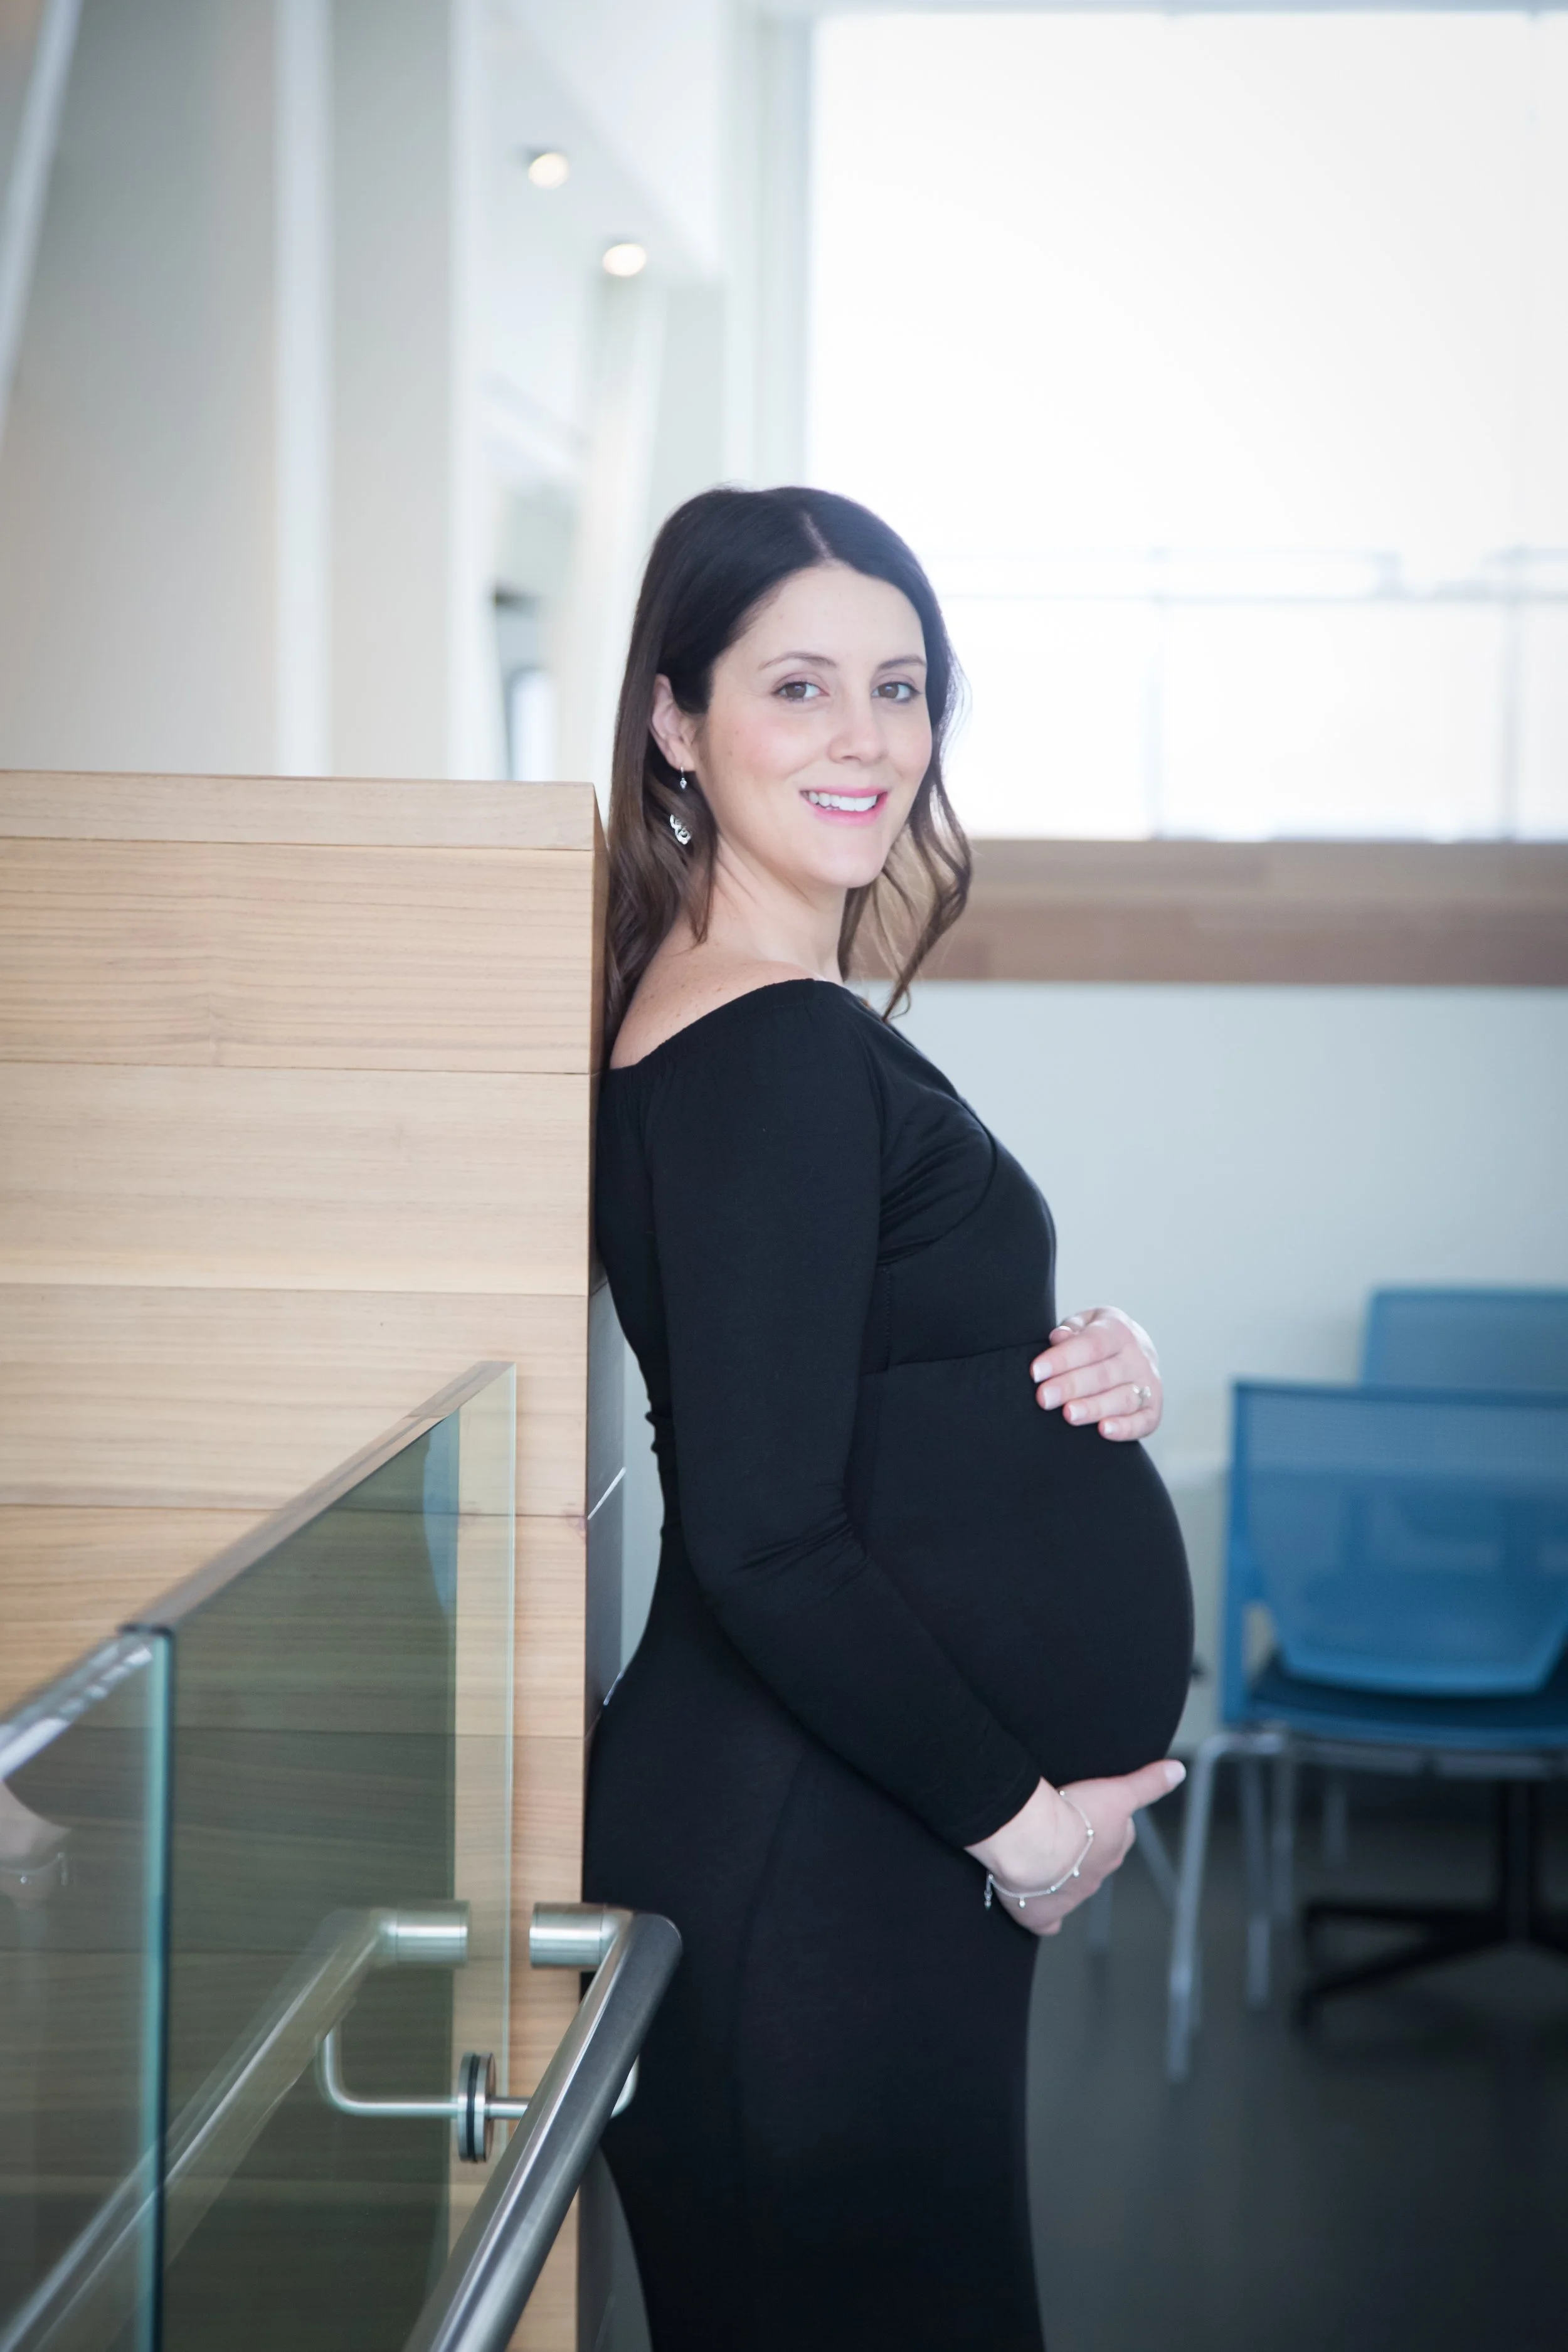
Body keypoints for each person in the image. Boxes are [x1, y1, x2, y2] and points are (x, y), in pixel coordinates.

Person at [585, 486, 1194, 2351]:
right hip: (815, 1857)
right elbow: (763, 1533)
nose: (864, 738)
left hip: (852, 1835)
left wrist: (1077, 1355)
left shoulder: (764, 1019)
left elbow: (853, 1372)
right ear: (677, 720)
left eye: (899, 685)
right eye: (797, 686)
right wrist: (1026, 1829)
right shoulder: (766, 1047)